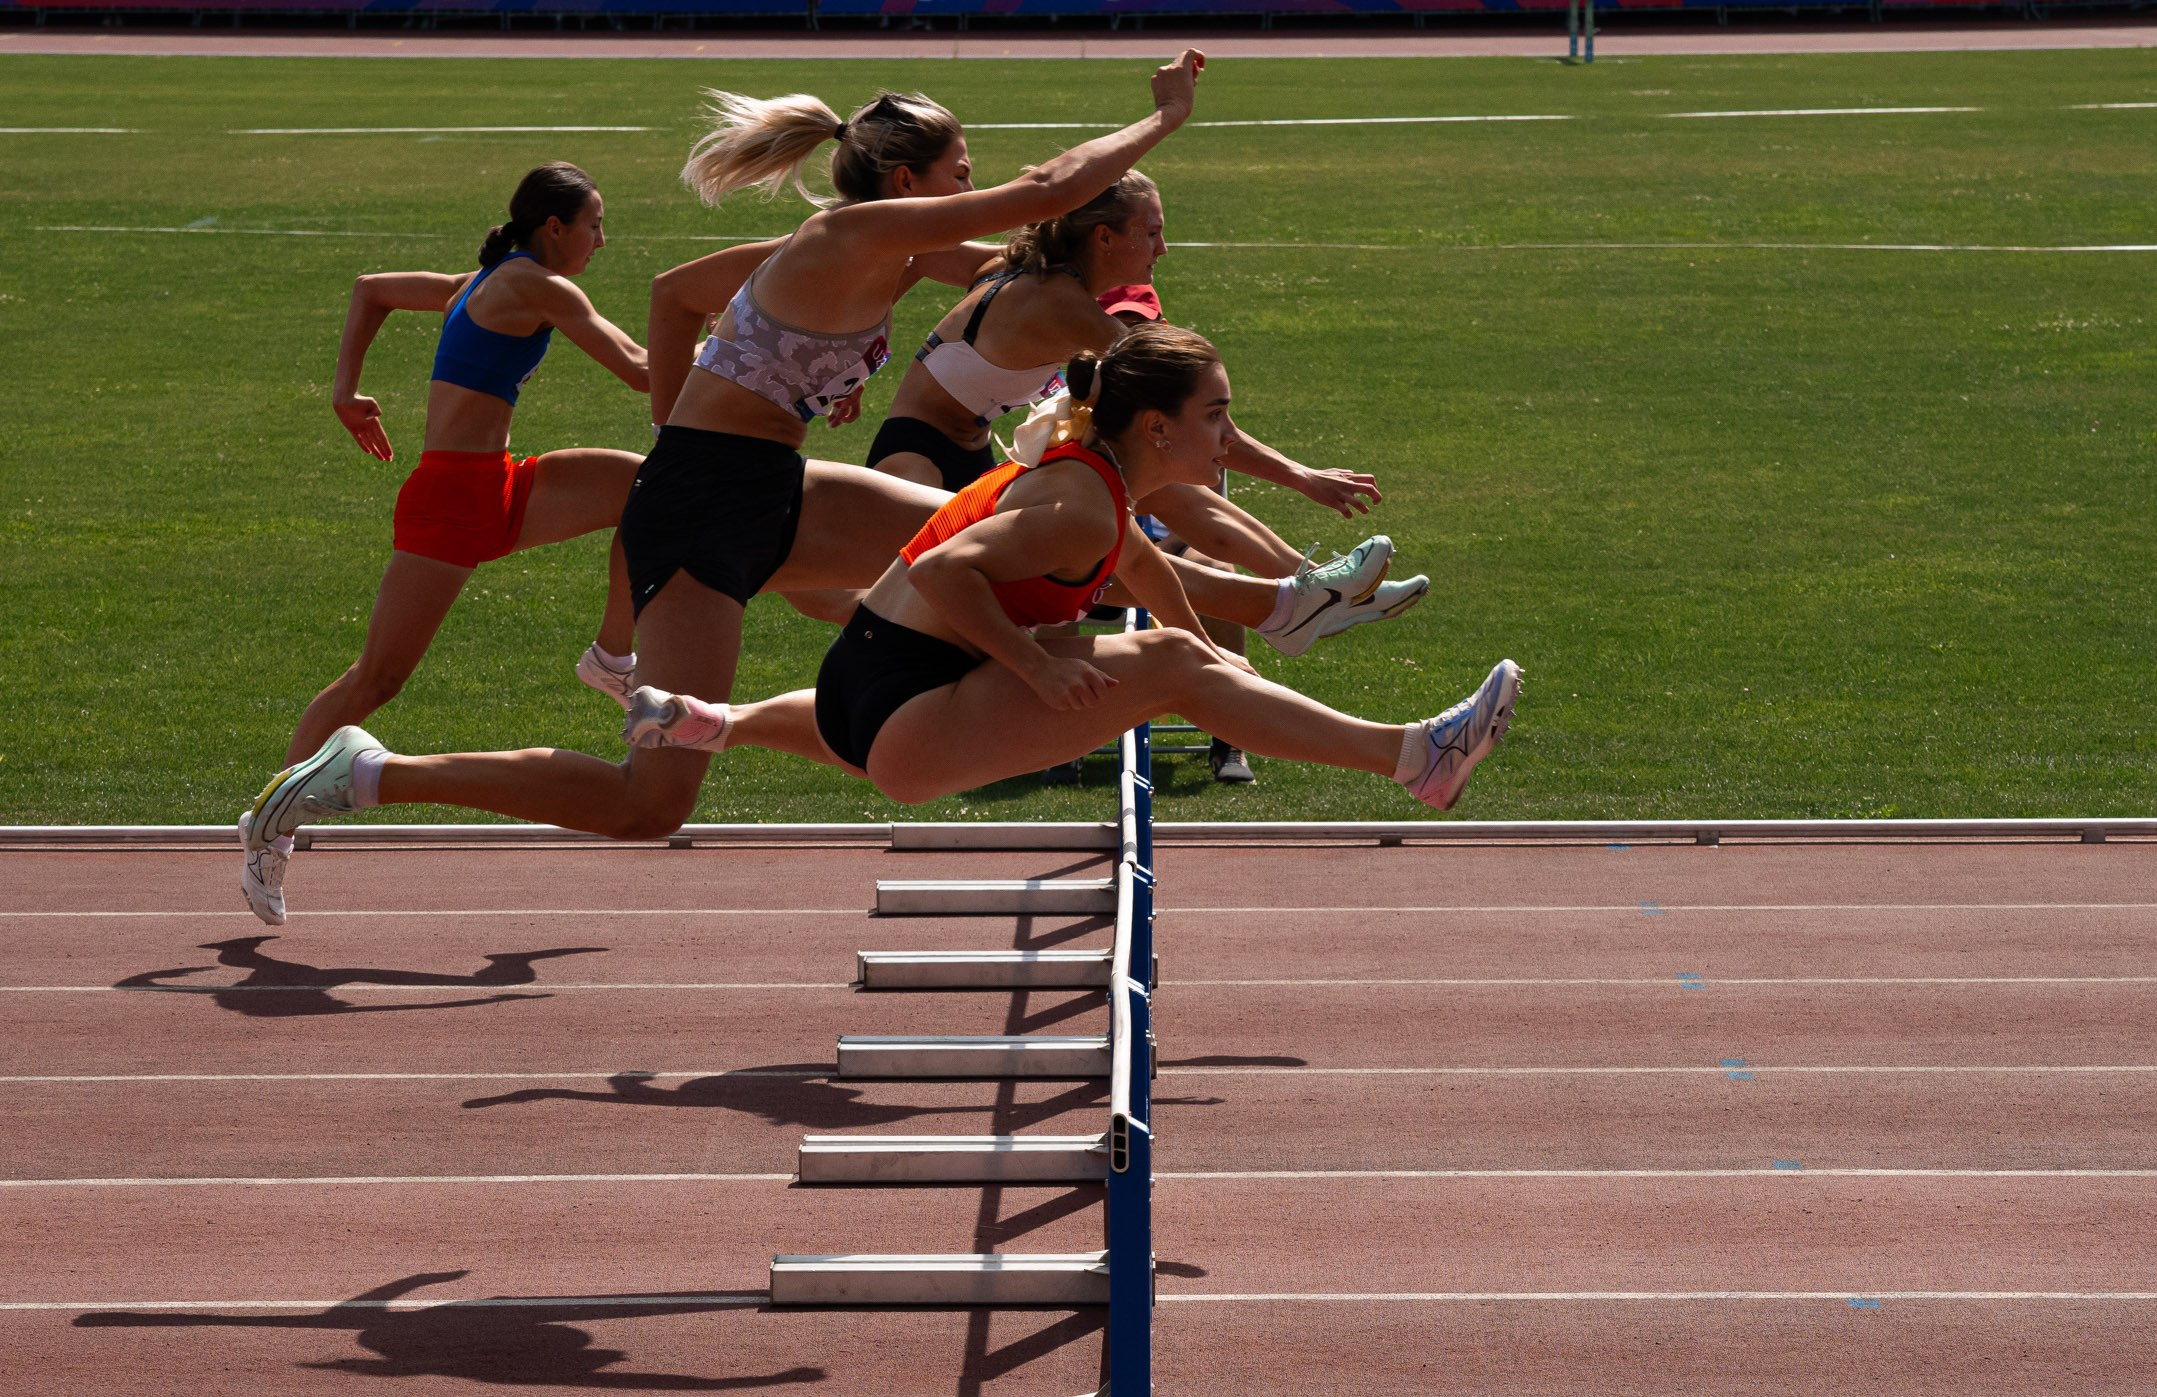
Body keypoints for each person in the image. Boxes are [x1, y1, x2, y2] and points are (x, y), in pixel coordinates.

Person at [238, 56, 1213, 909]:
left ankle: (1252, 620)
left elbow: (687, 296)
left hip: (768, 488)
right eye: (962, 170)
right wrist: (1162, 121)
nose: (977, 181)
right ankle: (369, 773)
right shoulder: (847, 238)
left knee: (1020, 534)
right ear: (907, 180)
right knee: (648, 801)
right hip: (707, 502)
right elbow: (1044, 192)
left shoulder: (893, 256)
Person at [620, 326, 1519, 813]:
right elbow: (942, 575)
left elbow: (1140, 568)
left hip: (849, 699)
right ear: (1157, 428)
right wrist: (1037, 664)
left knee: (1182, 654)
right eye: (1218, 416)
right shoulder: (1082, 498)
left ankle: (719, 723)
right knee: (1166, 670)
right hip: (899, 717)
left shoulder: (1093, 477)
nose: (1229, 438)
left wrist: (1214, 647)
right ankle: (1415, 759)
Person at [866, 174, 1422, 784]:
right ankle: (1307, 596)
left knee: (1143, 499)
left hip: (973, 452)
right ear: (1105, 238)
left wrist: (866, 345)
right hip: (918, 456)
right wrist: (1300, 477)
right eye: (1152, 232)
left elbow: (917, 254)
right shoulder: (1064, 303)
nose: (1163, 249)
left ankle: (1311, 592)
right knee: (1146, 488)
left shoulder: (1034, 268)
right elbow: (1179, 408)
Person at [239, 162, 653, 924]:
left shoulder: (479, 280)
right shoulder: (536, 286)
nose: (603, 238)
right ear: (553, 229)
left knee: (650, 492)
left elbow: (372, 288)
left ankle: (611, 658)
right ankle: (272, 822)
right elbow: (638, 371)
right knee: (376, 679)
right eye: (595, 223)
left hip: (498, 481)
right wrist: (754, 357)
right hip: (451, 500)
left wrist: (346, 390)